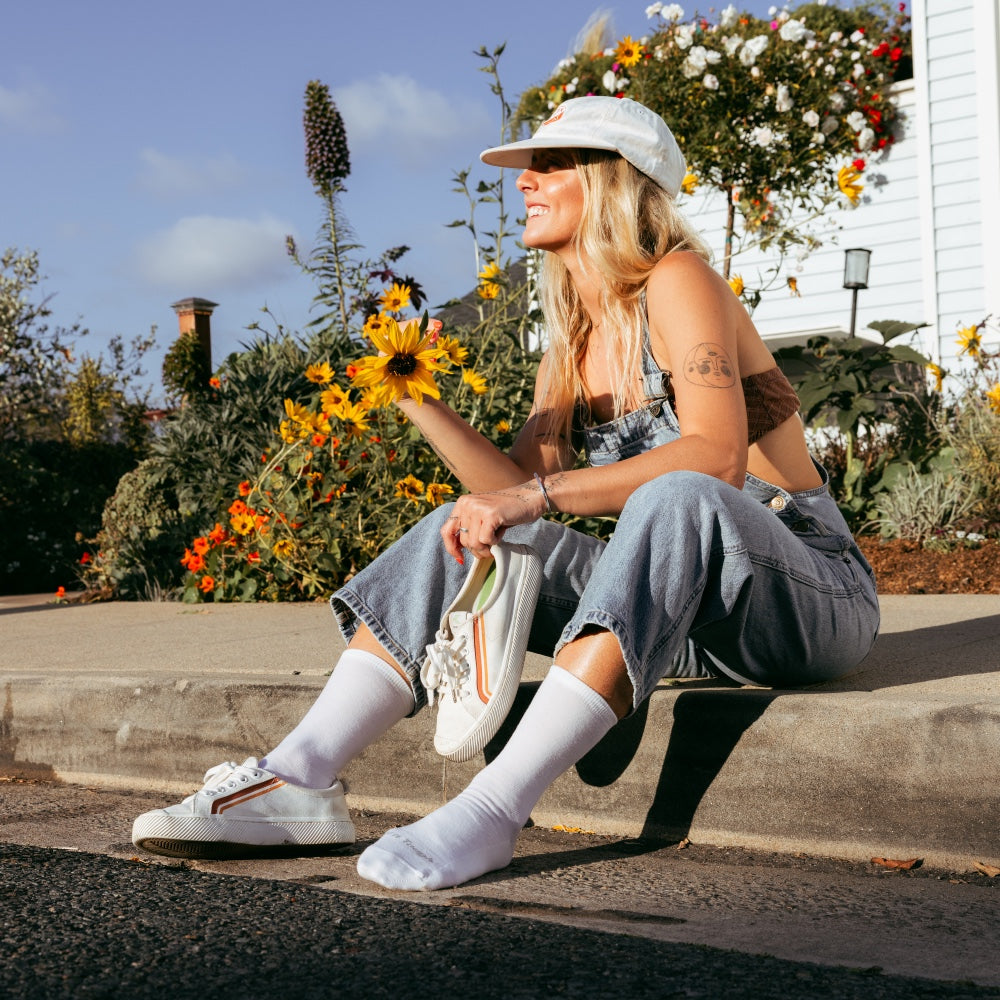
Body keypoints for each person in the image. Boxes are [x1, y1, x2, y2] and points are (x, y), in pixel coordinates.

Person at [132, 96, 880, 890]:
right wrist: (413, 395)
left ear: (613, 181)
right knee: (453, 529)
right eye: (529, 167)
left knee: (680, 495)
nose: (524, 182)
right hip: (685, 613)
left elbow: (720, 458)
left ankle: (493, 809)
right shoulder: (576, 337)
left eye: (550, 165)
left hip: (805, 592)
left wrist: (537, 499)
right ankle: (297, 778)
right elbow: (512, 492)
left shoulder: (677, 278)